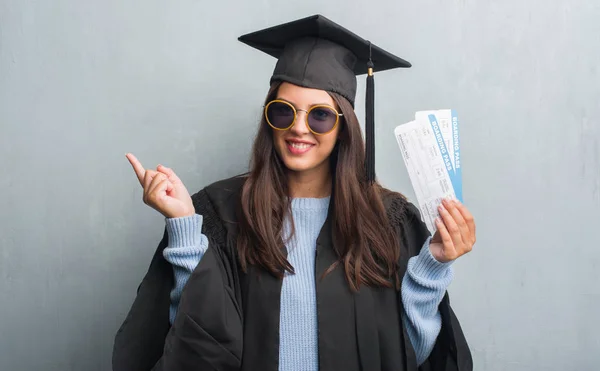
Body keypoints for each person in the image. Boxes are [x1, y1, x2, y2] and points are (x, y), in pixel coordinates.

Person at [113, 14, 475, 371]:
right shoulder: (221, 213)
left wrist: (434, 266)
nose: (299, 128)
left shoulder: (386, 221)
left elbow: (407, 354)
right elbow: (197, 346)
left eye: (320, 116)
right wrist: (183, 226)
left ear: (344, 127)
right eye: (283, 112)